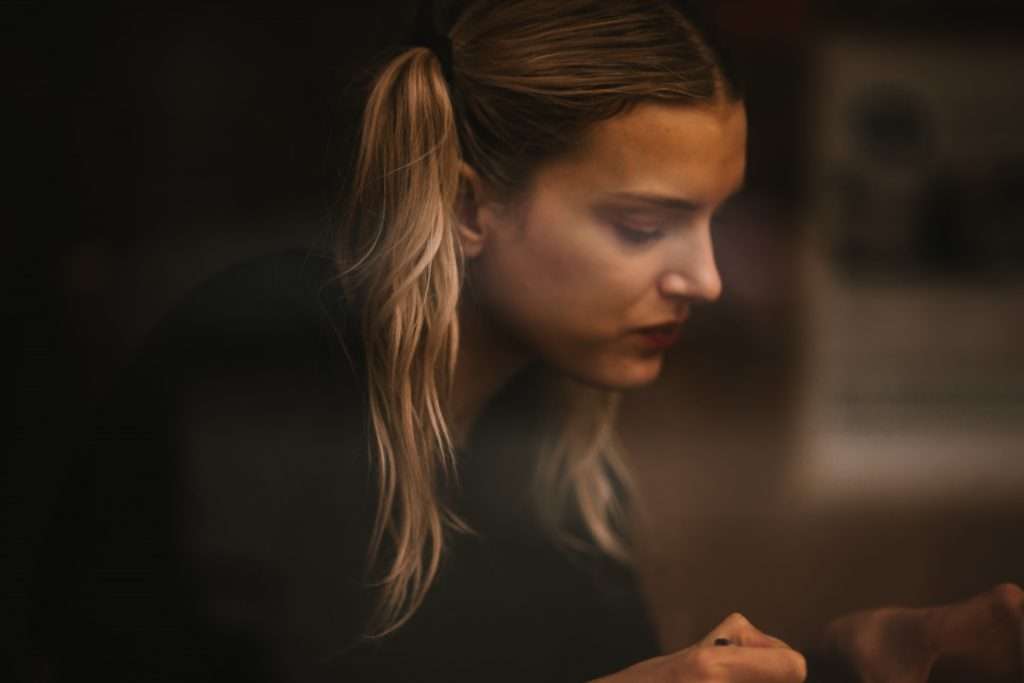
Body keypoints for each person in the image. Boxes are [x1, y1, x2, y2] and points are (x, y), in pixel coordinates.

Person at [28, 1, 1020, 682]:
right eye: (642, 226)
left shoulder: (541, 416)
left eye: (715, 220)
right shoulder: (260, 381)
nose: (706, 279)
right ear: (470, 205)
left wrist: (854, 652)